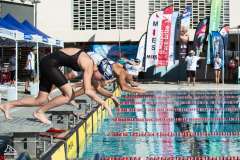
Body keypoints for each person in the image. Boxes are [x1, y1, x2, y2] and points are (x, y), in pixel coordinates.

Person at [0, 48, 112, 124]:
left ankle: (8, 105)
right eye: (102, 78)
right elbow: (88, 90)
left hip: (47, 63)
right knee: (69, 95)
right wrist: (103, 103)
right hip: (50, 65)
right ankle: (39, 112)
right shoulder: (89, 64)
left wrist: (111, 97)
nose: (100, 80)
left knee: (41, 100)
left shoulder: (91, 64)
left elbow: (96, 87)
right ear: (99, 71)